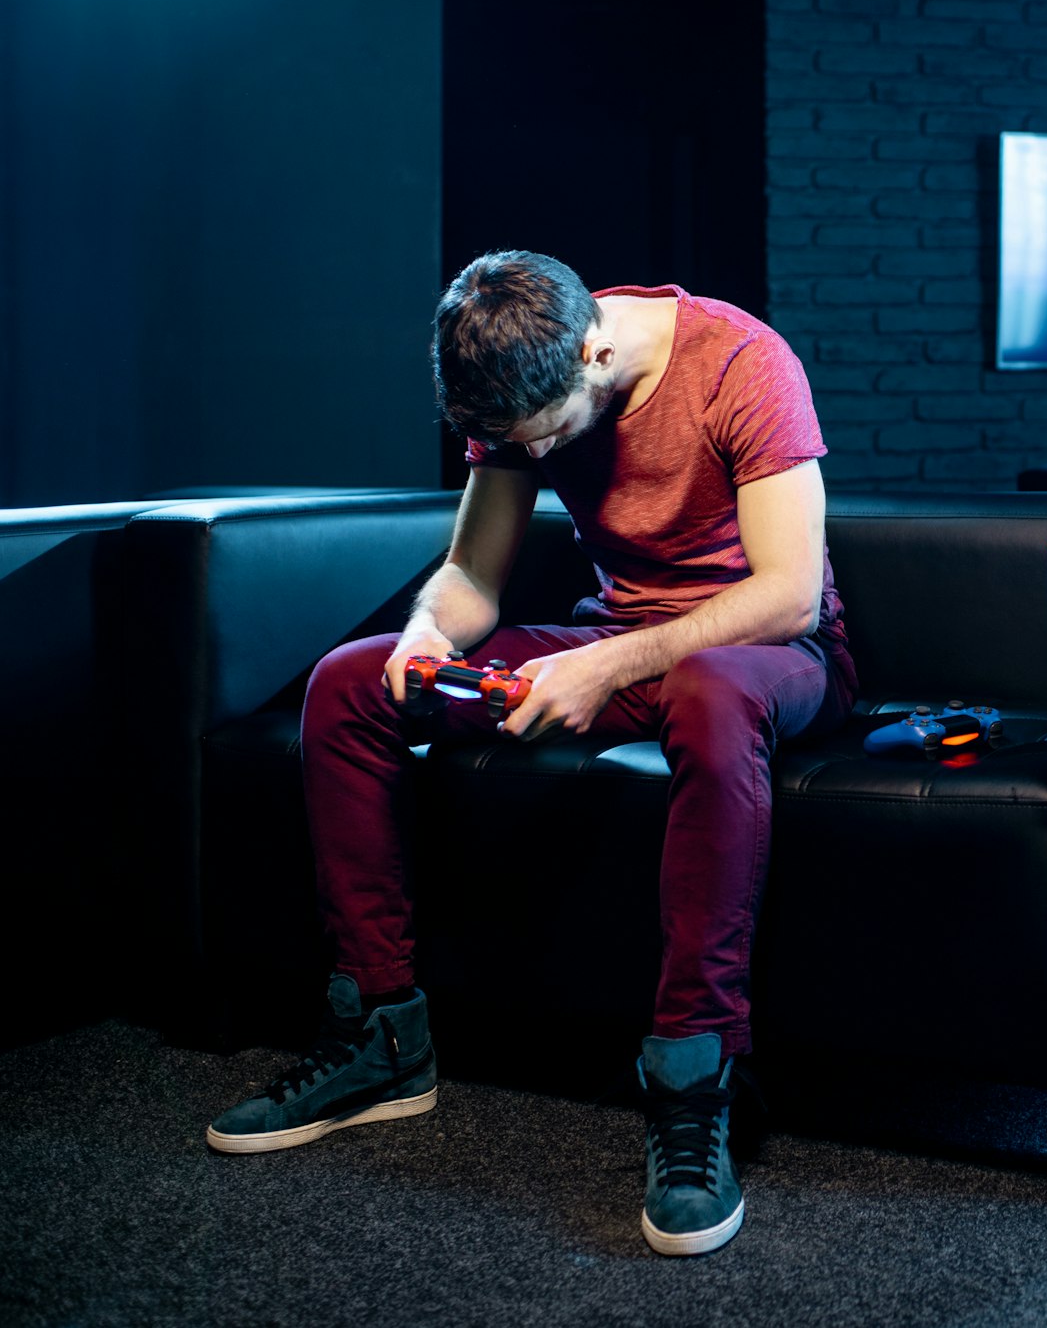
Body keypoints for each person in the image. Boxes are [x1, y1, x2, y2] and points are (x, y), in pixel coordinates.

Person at [203, 251, 857, 1257]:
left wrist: (605, 669)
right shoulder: (515, 374)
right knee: (351, 681)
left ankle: (693, 1078)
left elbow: (787, 596)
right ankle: (381, 1032)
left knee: (712, 689)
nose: (532, 452)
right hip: (619, 647)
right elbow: (471, 570)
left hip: (768, 656)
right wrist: (429, 635)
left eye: (543, 435)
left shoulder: (740, 364)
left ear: (594, 350)